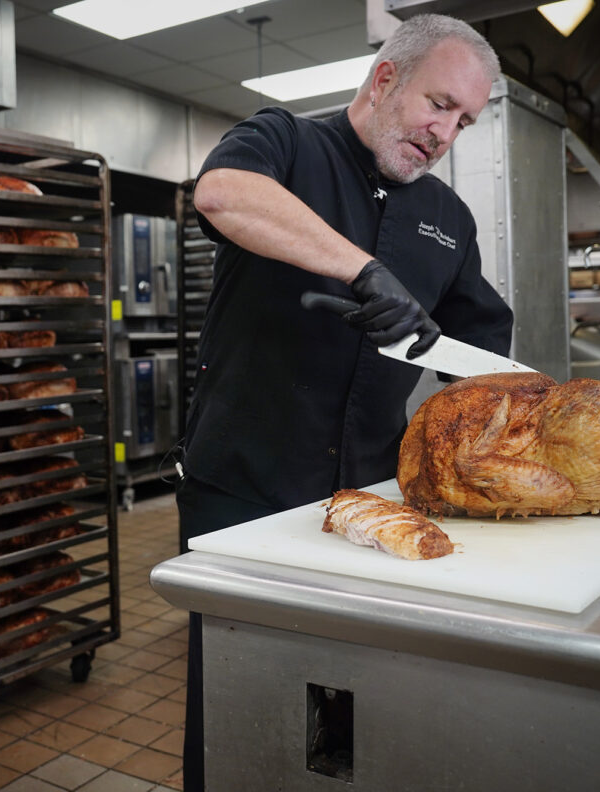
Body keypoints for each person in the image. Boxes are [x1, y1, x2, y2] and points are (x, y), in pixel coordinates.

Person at [175, 14, 515, 791]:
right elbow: (224, 195)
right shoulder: (286, 143)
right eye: (438, 105)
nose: (444, 133)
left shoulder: (447, 220)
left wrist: (511, 431)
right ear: (385, 78)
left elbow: (482, 355)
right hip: (245, 487)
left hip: (369, 498)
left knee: (354, 694)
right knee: (239, 691)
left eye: (463, 121)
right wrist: (365, 273)